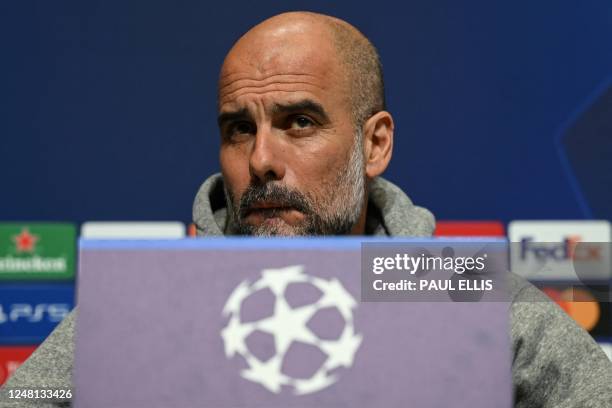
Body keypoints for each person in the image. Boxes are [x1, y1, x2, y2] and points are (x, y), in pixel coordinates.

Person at [2, 11, 611, 408]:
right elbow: (32, 399)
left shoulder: (461, 291)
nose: (261, 158)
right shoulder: (148, 298)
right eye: (239, 129)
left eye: (299, 121)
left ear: (374, 144)